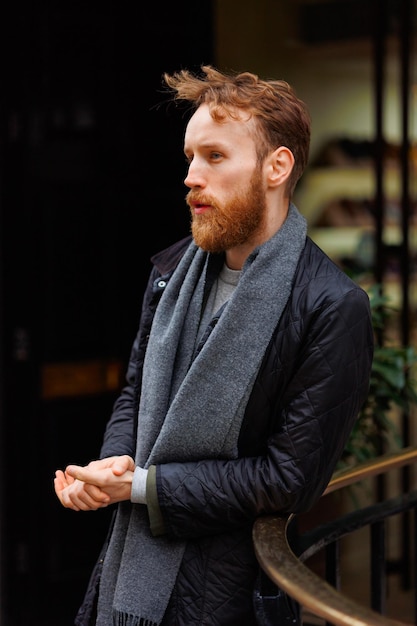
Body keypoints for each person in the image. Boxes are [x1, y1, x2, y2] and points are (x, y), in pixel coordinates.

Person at [54, 65, 374, 626]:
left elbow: (288, 479)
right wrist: (112, 465)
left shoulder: (331, 306)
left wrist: (142, 486)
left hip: (228, 596)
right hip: (123, 579)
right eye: (189, 158)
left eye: (215, 157)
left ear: (277, 166)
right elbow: (136, 392)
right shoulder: (170, 272)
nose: (191, 177)